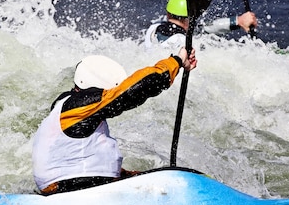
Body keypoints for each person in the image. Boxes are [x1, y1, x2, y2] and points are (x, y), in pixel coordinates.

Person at [32, 47, 197, 195]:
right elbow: (137, 88)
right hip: (69, 188)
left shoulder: (67, 105)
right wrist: (176, 61)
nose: (109, 94)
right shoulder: (80, 105)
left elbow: (76, 156)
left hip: (70, 184)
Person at [144, 0, 258, 49]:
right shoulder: (186, 43)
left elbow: (203, 29)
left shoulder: (153, 28)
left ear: (168, 14)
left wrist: (238, 21)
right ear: (190, 18)